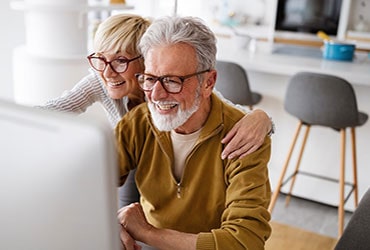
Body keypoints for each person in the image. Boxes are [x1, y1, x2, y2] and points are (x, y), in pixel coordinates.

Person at [39, 14, 273, 207]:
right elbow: (57, 108)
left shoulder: (181, 92)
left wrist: (262, 118)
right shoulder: (102, 80)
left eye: (120, 60)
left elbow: (231, 112)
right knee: (125, 214)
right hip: (132, 157)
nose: (108, 72)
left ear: (145, 61)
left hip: (166, 161)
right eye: (101, 59)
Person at [116, 16, 271, 250]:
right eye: (150, 79)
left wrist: (147, 233)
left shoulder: (245, 138)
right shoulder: (138, 122)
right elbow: (86, 181)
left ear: (208, 82)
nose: (156, 94)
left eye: (172, 80)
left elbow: (245, 242)